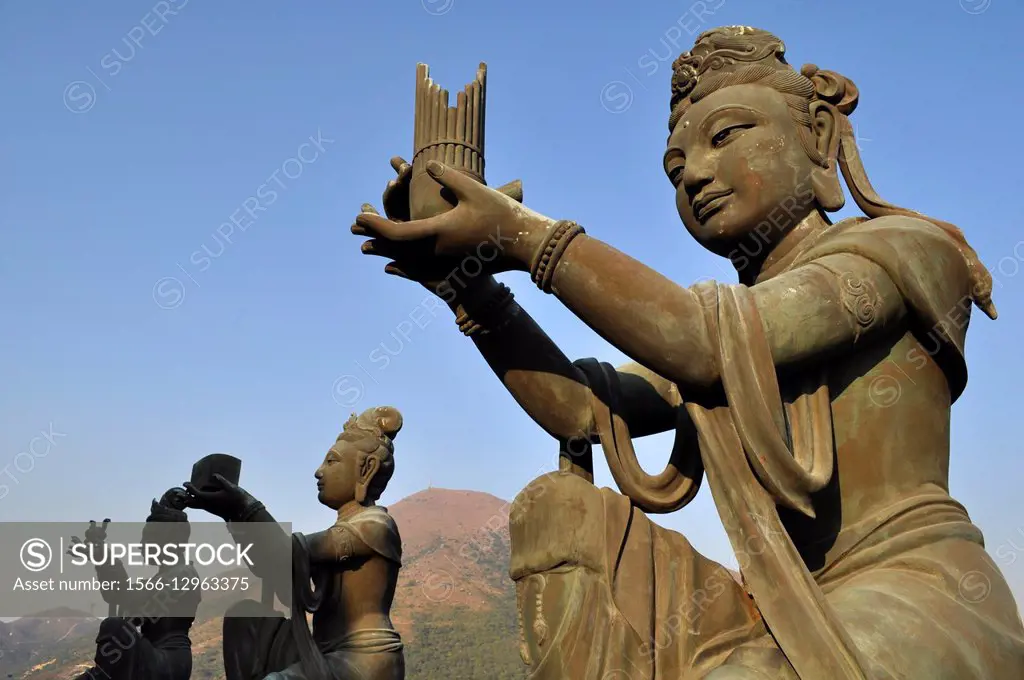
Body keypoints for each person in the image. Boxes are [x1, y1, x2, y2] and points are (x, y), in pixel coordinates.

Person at [352, 25, 1024, 679]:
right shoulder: (727, 328)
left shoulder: (898, 253)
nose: (695, 175)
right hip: (795, 601)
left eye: (725, 136)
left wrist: (528, 238)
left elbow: (705, 343)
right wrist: (469, 291)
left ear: (817, 137)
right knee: (556, 508)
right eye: (675, 168)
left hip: (915, 591)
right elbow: (585, 411)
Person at [184, 406, 405, 680]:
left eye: (332, 461)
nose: (319, 471)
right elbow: (274, 567)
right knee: (247, 617)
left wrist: (244, 507)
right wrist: (232, 515)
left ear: (366, 469)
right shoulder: (342, 529)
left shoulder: (375, 527)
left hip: (364, 661)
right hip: (324, 652)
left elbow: (285, 553)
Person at [73, 489, 200, 680]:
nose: (141, 544)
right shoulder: (164, 578)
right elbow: (120, 596)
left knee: (114, 627)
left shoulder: (183, 575)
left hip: (168, 662)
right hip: (154, 652)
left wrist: (103, 557)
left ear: (169, 540)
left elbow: (125, 596)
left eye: (148, 537)